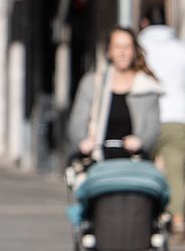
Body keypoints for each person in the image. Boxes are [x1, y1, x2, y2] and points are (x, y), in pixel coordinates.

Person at [67, 27, 162, 163]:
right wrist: (83, 142)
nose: (122, 52)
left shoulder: (147, 87)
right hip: (97, 161)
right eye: (117, 47)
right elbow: (77, 121)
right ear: (109, 51)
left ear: (134, 51)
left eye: (127, 47)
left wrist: (141, 142)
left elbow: (153, 127)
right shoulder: (92, 83)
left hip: (135, 163)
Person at [138, 4, 185, 234]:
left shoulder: (140, 47)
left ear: (144, 22)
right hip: (177, 116)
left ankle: (149, 216)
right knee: (175, 169)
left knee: (145, 168)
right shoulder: (180, 48)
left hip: (147, 116)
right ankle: (177, 218)